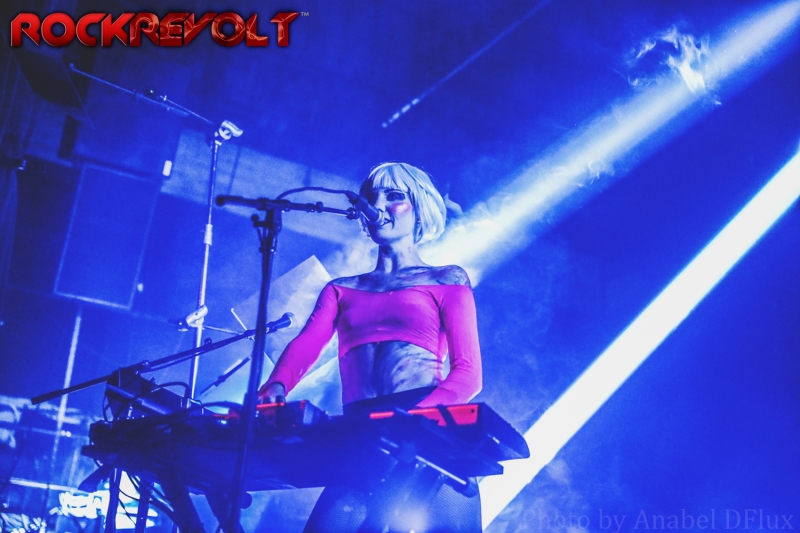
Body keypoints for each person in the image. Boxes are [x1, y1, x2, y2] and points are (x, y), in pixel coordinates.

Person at [258, 162, 483, 532]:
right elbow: (305, 346)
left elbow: (469, 374)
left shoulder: (446, 279)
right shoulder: (341, 289)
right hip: (360, 436)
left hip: (429, 434)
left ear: (420, 208)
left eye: (394, 196)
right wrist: (276, 386)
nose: (379, 205)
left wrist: (413, 421)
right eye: (372, 197)